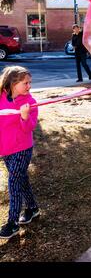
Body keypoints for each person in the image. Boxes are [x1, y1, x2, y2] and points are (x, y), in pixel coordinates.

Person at [0, 66, 39, 239]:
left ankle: (12, 222)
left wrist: (24, 116)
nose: (29, 86)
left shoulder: (31, 102)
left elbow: (29, 128)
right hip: (5, 148)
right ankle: (33, 208)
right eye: (25, 83)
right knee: (21, 179)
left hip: (22, 148)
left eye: (30, 82)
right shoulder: (1, 99)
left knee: (14, 181)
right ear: (13, 83)